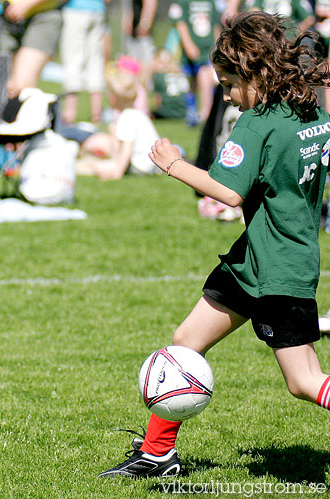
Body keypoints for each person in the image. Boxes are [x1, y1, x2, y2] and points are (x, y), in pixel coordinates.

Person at [99, 11, 330, 478]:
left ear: (258, 73)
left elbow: (228, 191)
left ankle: (156, 453)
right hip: (256, 259)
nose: (226, 95)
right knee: (185, 344)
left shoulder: (255, 124)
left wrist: (174, 163)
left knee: (304, 381)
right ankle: (157, 455)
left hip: (277, 270)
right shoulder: (311, 113)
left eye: (229, 84)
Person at [0, 0, 62, 98]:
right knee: (1, 86)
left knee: (21, 88)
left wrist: (27, 4)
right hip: (6, 20)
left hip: (43, 17)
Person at [76, 70, 160, 179]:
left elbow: (127, 148)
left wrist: (118, 171)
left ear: (113, 99)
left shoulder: (125, 118)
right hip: (153, 164)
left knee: (96, 166)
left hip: (140, 166)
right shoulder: (139, 114)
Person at [168, 0, 219, 126]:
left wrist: (218, 45)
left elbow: (216, 24)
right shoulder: (183, 2)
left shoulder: (212, 2)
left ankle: (207, 112)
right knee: (191, 82)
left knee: (206, 77)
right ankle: (191, 111)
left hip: (209, 49)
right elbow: (180, 23)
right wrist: (188, 44)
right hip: (191, 49)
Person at [59, 0, 107, 124]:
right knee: (95, 61)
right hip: (98, 10)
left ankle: (70, 113)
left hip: (76, 9)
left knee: (73, 60)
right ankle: (97, 114)